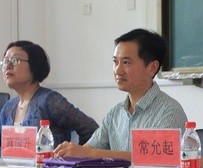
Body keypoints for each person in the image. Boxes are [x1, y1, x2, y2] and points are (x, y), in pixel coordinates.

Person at [0, 41, 99, 157]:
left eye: (15, 60)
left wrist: (77, 158)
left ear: (34, 65)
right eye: (5, 61)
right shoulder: (9, 106)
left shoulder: (49, 100)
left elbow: (91, 129)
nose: (8, 66)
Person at [54, 28, 187, 160]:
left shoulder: (170, 112)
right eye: (115, 62)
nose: (118, 70)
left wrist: (90, 153)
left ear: (152, 68)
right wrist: (71, 153)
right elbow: (87, 151)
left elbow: (157, 160)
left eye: (126, 62)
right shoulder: (115, 114)